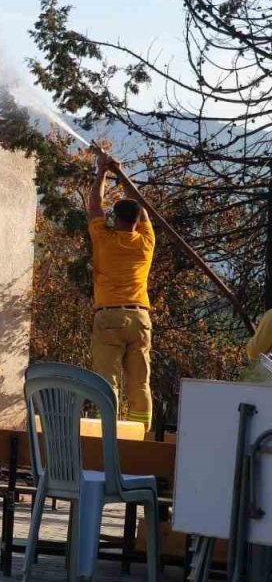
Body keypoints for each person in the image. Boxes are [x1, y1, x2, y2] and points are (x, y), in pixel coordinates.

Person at [88, 152, 156, 429]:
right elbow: (141, 207)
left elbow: (94, 206)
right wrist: (121, 174)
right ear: (138, 220)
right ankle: (141, 437)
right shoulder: (146, 241)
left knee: (107, 382)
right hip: (140, 318)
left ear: (115, 218)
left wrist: (102, 173)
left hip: (109, 318)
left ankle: (109, 436)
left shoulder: (104, 238)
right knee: (140, 383)